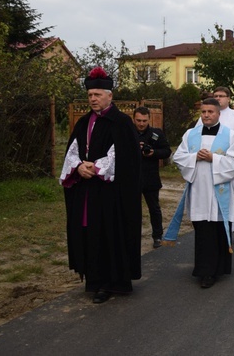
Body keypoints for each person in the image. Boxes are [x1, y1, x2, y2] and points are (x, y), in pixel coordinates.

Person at [59, 67, 141, 304]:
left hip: (111, 193)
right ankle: (94, 280)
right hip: (87, 192)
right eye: (90, 95)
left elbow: (123, 157)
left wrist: (95, 168)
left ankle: (111, 282)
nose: (93, 99)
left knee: (109, 233)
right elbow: (72, 151)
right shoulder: (83, 122)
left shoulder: (122, 123)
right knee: (89, 232)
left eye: (97, 94)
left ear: (110, 95)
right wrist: (78, 168)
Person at [166, 98, 234, 288]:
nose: (207, 115)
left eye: (210, 112)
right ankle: (205, 271)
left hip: (220, 190)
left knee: (218, 229)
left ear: (218, 114)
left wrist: (214, 159)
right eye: (203, 112)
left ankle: (220, 268)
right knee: (203, 232)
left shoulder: (230, 135)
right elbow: (179, 157)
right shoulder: (190, 134)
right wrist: (195, 157)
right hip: (199, 191)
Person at [196, 86, 234, 245]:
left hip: (229, 162)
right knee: (211, 195)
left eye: (221, 96)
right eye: (216, 95)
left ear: (229, 98)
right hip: (208, 161)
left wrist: (227, 153)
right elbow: (197, 136)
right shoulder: (205, 116)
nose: (218, 98)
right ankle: (215, 227)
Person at [134, 106, 171, 249]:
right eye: (138, 120)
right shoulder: (128, 132)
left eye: (144, 120)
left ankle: (157, 236)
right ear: (134, 119)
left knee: (154, 209)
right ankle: (132, 236)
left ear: (149, 119)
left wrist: (153, 152)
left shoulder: (156, 134)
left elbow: (167, 151)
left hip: (151, 178)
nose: (141, 123)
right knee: (132, 210)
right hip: (132, 178)